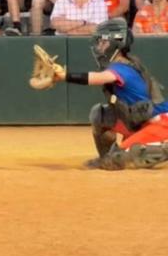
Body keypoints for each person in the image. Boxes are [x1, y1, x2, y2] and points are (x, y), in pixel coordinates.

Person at [54, 18, 168, 170]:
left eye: (103, 42)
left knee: (118, 160)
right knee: (100, 115)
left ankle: (162, 147)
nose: (99, 46)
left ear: (116, 43)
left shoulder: (122, 68)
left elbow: (97, 78)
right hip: (140, 122)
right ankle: (108, 156)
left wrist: (64, 76)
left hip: (161, 124)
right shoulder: (120, 64)